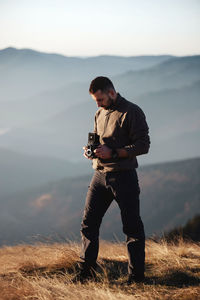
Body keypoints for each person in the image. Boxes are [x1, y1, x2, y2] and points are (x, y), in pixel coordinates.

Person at [76, 76, 150, 284]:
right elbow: (100, 141)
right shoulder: (99, 113)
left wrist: (115, 153)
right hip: (99, 175)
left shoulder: (132, 112)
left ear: (111, 92)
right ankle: (86, 274)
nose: (98, 104)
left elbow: (143, 145)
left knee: (132, 228)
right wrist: (91, 151)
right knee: (88, 224)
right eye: (95, 101)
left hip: (124, 177)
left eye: (100, 99)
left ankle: (136, 279)